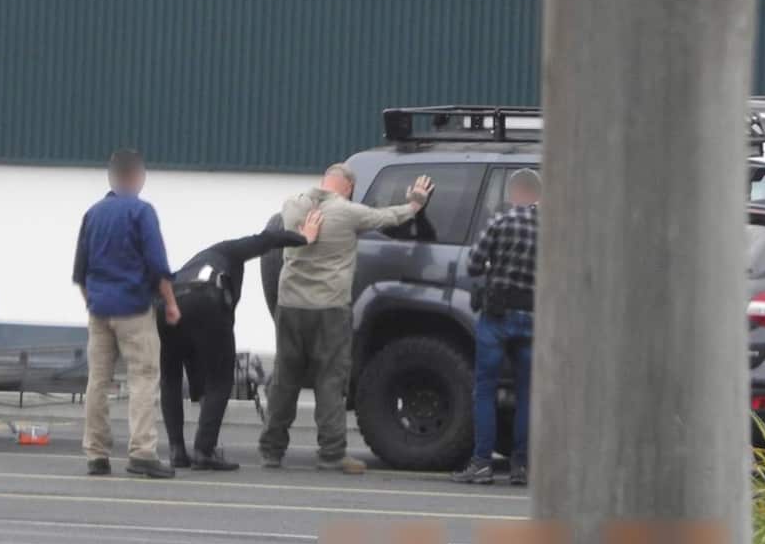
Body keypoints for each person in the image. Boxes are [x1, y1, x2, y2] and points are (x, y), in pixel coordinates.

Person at [258, 163, 433, 473]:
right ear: (349, 186)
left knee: (285, 378)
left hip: (290, 305)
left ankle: (272, 451)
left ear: (324, 180)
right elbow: (389, 217)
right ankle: (331, 454)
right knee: (330, 379)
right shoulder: (349, 212)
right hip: (329, 308)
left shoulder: (292, 204)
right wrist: (415, 204)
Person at [159, 210, 323, 471]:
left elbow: (192, 354)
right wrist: (303, 238)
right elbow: (265, 239)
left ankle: (177, 450)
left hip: (167, 302)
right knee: (221, 379)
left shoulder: (189, 266)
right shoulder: (227, 251)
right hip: (208, 300)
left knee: (170, 376)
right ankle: (204, 450)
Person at [73, 149, 180, 479]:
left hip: (99, 309)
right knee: (144, 377)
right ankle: (142, 452)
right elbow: (158, 265)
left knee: (98, 382)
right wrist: (171, 303)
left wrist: (93, 302)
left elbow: (81, 270)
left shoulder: (93, 213)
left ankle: (96, 454)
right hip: (133, 308)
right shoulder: (142, 212)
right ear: (137, 177)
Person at [452, 168, 540, 486]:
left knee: (485, 390)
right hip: (533, 318)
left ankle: (481, 464)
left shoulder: (499, 222)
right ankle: (521, 467)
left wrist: (493, 265)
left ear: (514, 194)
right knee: (527, 394)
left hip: (497, 317)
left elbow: (474, 265)